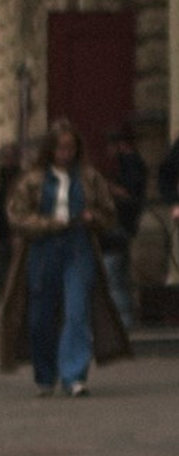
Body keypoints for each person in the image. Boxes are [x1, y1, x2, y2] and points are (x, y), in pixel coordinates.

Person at [1, 117, 131, 396]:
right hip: (42, 249)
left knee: (77, 310)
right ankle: (46, 376)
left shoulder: (89, 177)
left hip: (78, 245)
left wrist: (91, 216)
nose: (65, 154)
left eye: (70, 148)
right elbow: (17, 215)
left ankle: (74, 376)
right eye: (60, 148)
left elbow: (108, 213)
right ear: (50, 150)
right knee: (41, 316)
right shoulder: (33, 179)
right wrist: (49, 223)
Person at [95, 122, 149, 338]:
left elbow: (129, 194)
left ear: (119, 144)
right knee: (117, 272)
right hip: (122, 223)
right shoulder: (128, 162)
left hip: (121, 223)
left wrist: (109, 187)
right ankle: (123, 319)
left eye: (110, 146)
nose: (108, 152)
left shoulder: (132, 163)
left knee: (113, 272)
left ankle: (123, 322)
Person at [0, 144, 22, 303]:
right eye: (5, 157)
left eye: (11, 157)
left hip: (15, 232)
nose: (8, 161)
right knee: (2, 270)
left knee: (16, 272)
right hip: (0, 231)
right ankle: (6, 301)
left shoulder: (22, 179)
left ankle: (14, 301)